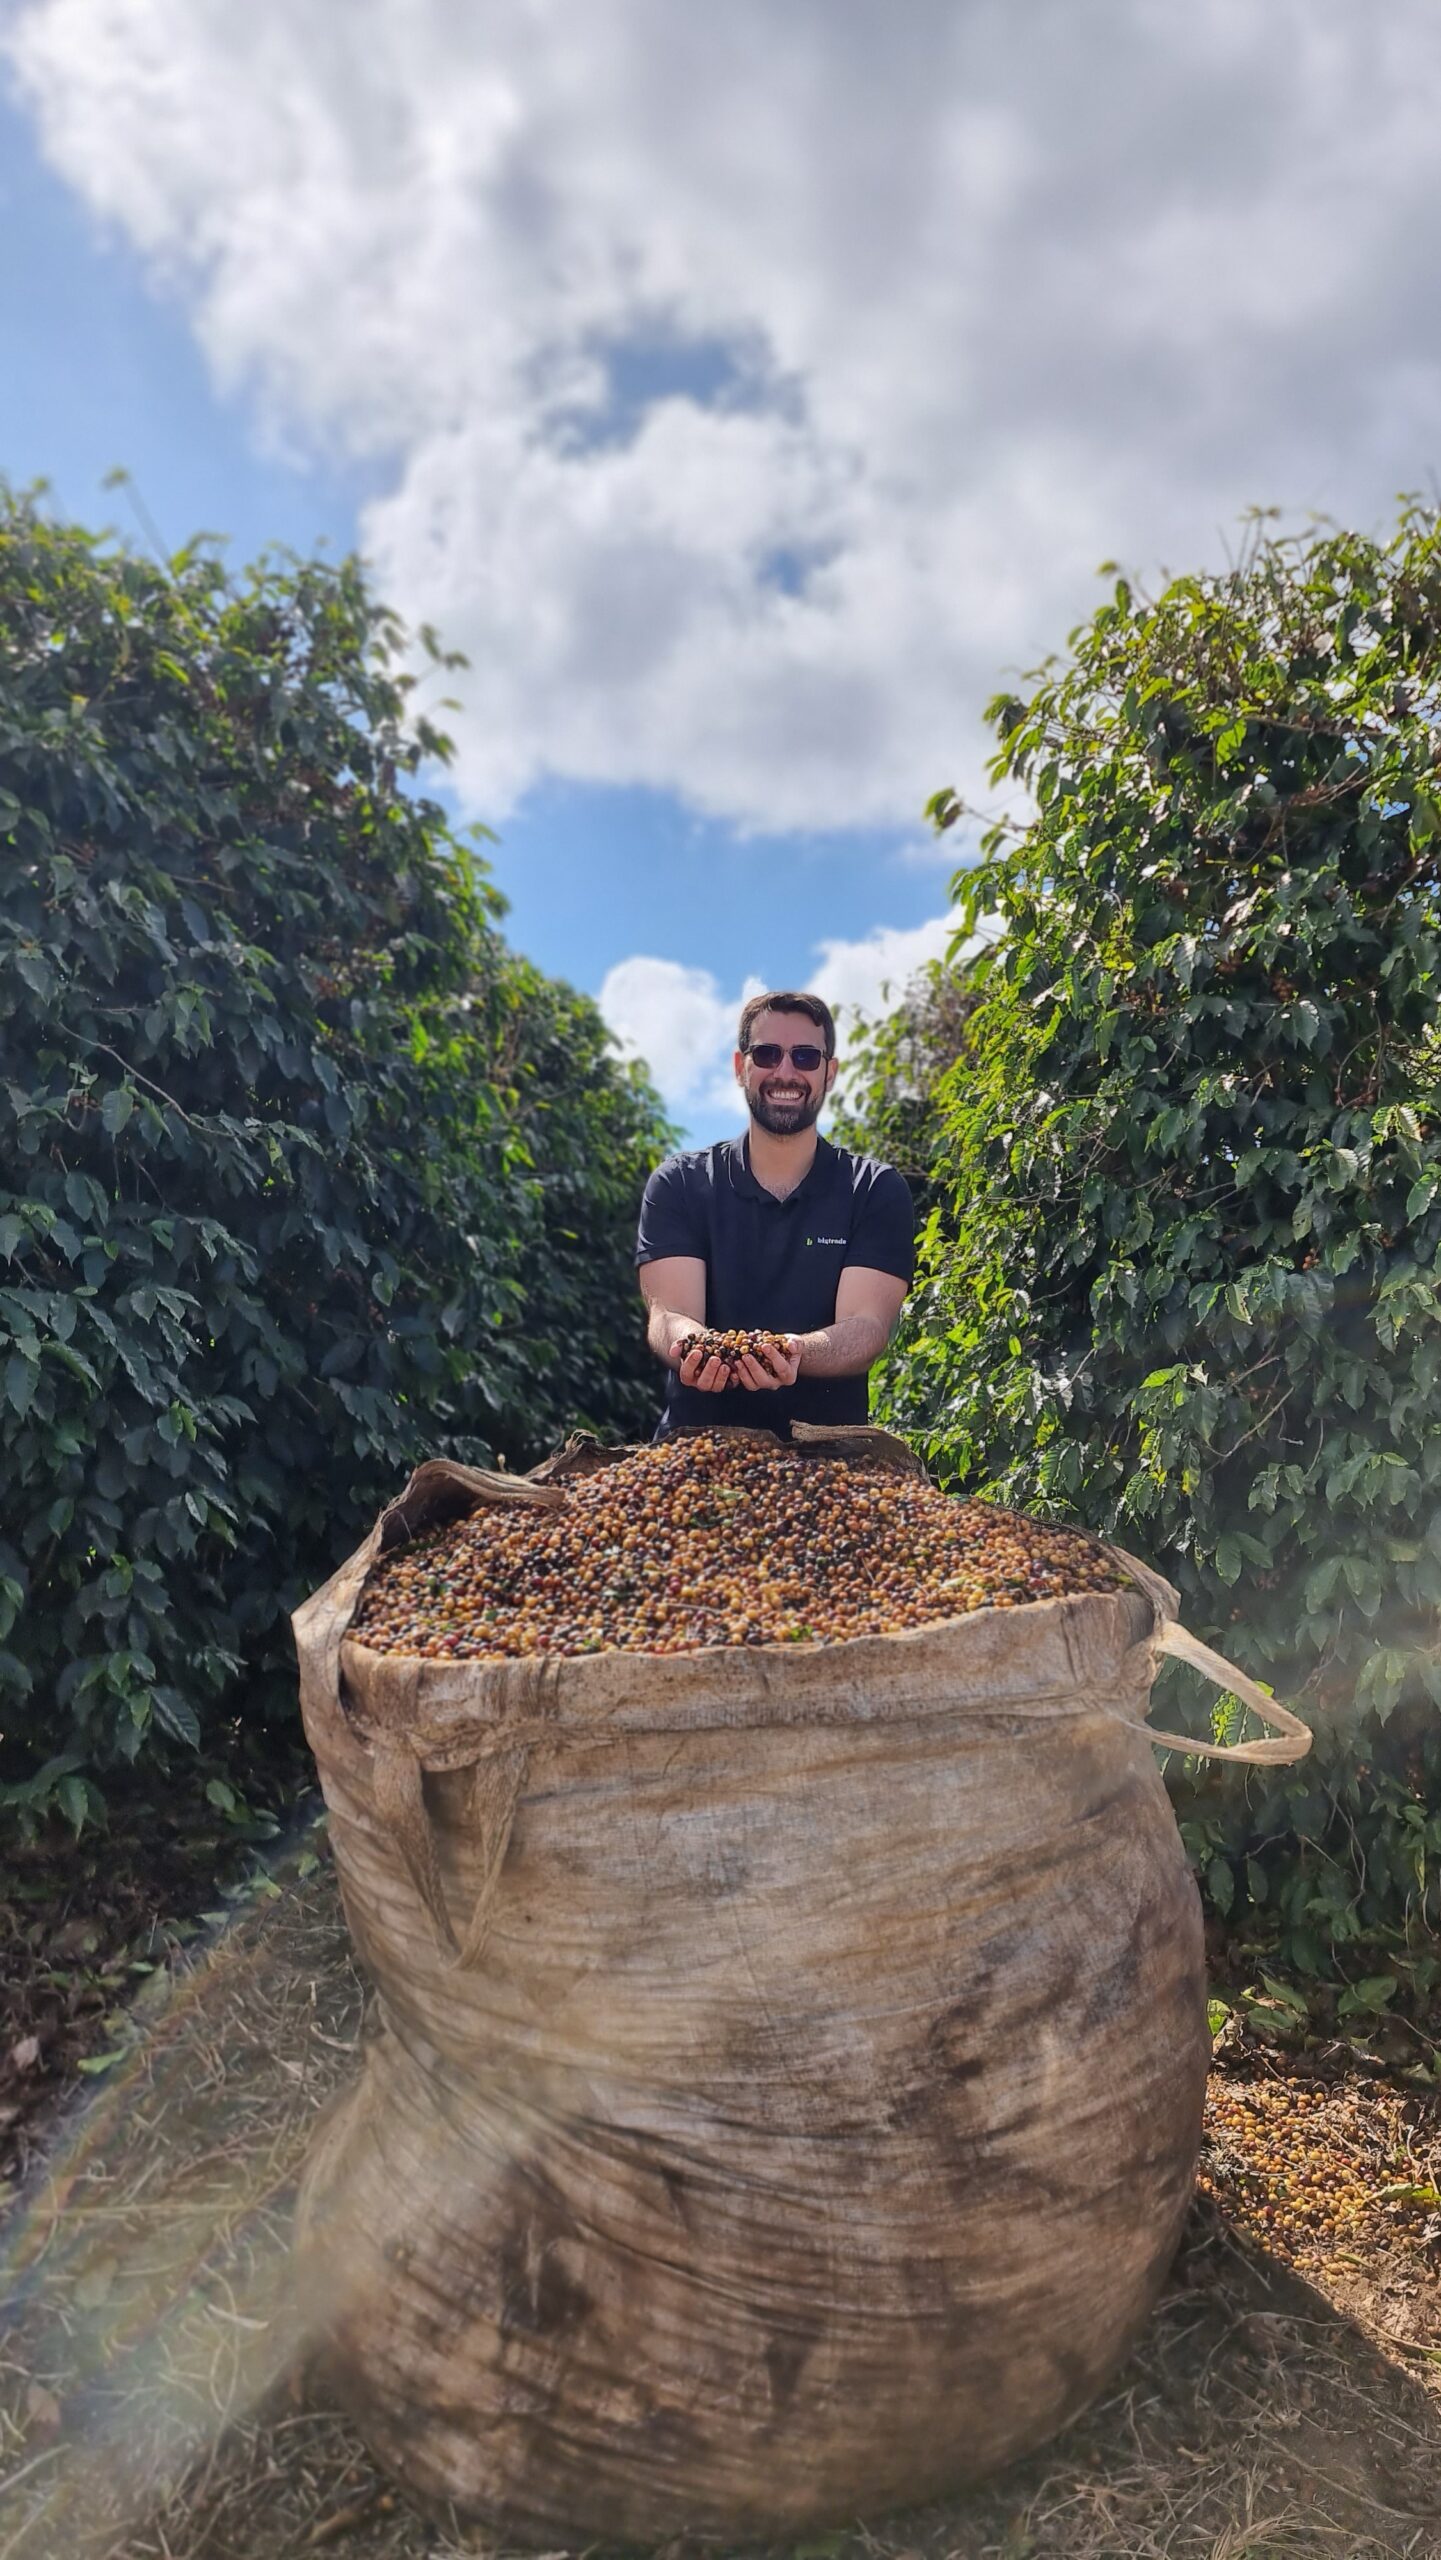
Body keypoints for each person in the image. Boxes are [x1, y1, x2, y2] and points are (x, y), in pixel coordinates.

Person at [635, 989, 915, 1438]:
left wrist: (792, 1352)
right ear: (740, 1067)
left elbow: (866, 1327)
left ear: (830, 1073)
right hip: (693, 1451)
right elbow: (668, 1314)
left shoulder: (873, 1190)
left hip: (829, 1459)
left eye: (805, 1057)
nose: (785, 1072)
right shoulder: (679, 1184)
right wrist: (693, 1344)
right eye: (767, 1054)